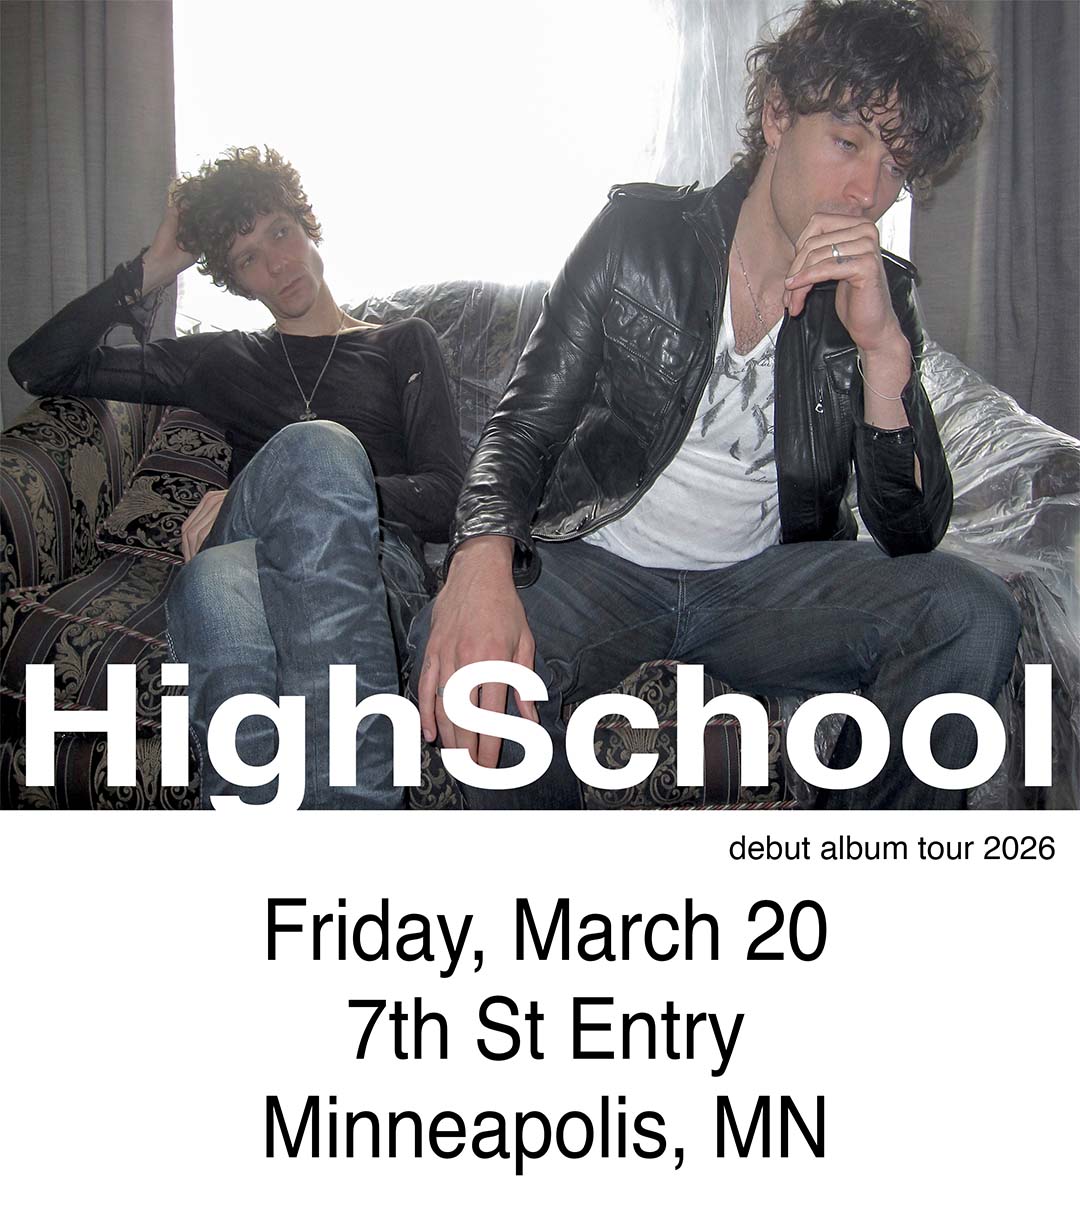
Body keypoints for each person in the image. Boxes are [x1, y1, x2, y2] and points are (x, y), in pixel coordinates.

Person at [413, 0, 1020, 810]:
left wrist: (883, 352)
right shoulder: (637, 238)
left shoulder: (881, 296)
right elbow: (522, 427)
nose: (866, 191)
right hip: (603, 566)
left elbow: (910, 533)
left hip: (761, 587)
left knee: (971, 614)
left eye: (895, 168)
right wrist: (481, 560)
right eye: (847, 142)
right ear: (777, 115)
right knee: (459, 657)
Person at [9, 146, 464, 808]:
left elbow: (447, 494)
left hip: (371, 560)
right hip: (248, 542)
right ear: (238, 283)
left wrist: (300, 491)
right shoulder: (224, 358)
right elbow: (39, 367)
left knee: (222, 570)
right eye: (248, 258)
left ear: (308, 226)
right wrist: (153, 267)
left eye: (280, 232)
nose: (275, 263)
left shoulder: (401, 343)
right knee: (262, 516)